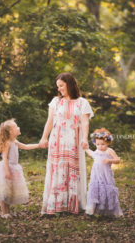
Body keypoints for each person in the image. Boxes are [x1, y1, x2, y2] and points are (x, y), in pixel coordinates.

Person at [39, 72, 94, 215]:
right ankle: (56, 205)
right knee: (57, 170)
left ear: (69, 84)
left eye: (61, 86)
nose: (59, 89)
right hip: (57, 141)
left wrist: (84, 138)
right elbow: (50, 121)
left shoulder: (83, 102)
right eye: (58, 87)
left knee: (73, 171)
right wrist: (44, 137)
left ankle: (72, 205)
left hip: (73, 142)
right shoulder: (55, 102)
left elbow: (85, 122)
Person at [0, 118, 40, 218]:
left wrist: (39, 145)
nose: (18, 127)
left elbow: (26, 146)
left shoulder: (14, 141)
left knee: (10, 191)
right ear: (11, 131)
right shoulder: (7, 143)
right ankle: (4, 213)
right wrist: (7, 171)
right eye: (16, 127)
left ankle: (8, 212)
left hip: (14, 169)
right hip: (6, 169)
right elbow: (4, 158)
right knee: (4, 191)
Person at [85, 128, 123, 217]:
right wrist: (86, 149)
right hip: (96, 175)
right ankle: (95, 209)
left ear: (108, 143)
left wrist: (109, 160)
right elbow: (91, 154)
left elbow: (117, 160)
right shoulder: (97, 151)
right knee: (96, 189)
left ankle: (109, 210)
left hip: (106, 175)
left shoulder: (109, 151)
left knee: (107, 190)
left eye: (103, 144)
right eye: (98, 144)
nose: (100, 146)